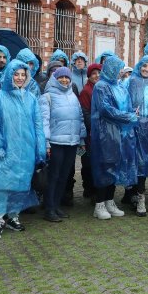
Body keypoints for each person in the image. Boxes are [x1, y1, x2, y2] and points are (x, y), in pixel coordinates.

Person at [0, 59, 46, 239]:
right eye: (16, 74)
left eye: (23, 74)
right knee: (2, 186)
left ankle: (13, 216)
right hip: (5, 151)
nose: (20, 78)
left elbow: (38, 126)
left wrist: (40, 149)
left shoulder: (31, 98)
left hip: (26, 151)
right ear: (10, 75)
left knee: (21, 185)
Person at [90, 55, 138, 219]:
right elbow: (105, 110)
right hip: (105, 133)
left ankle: (110, 201)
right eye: (119, 69)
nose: (121, 72)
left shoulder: (120, 86)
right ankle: (99, 205)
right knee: (105, 167)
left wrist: (132, 114)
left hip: (121, 134)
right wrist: (128, 117)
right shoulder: (101, 86)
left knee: (115, 167)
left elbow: (128, 105)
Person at [40, 66, 86, 221]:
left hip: (71, 143)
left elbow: (80, 118)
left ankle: (56, 205)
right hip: (56, 143)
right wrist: (46, 142)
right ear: (55, 78)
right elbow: (44, 122)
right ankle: (49, 208)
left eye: (67, 77)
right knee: (53, 176)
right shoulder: (47, 97)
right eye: (61, 77)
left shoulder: (73, 95)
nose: (64, 80)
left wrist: (81, 138)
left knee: (64, 176)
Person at [124, 56, 148, 216]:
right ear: (139, 66)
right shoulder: (130, 82)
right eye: (144, 66)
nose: (146, 69)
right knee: (132, 161)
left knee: (144, 163)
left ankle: (139, 197)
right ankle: (134, 195)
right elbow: (123, 102)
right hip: (133, 128)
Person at [78, 63, 101, 200]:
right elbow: (85, 113)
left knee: (96, 161)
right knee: (87, 162)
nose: (97, 76)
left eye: (99, 73)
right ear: (89, 76)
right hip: (88, 134)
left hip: (99, 134)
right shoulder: (87, 91)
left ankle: (94, 188)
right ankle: (88, 188)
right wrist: (94, 126)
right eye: (94, 73)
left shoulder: (102, 88)